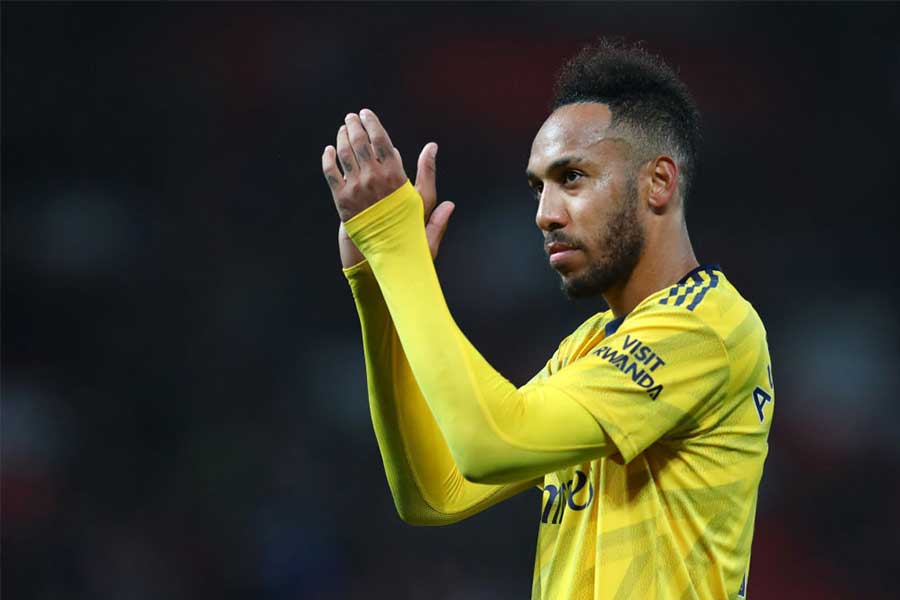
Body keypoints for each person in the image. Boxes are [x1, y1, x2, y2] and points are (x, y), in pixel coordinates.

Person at [321, 39, 773, 600]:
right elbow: (435, 491)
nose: (544, 215)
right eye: (539, 187)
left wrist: (398, 249)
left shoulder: (706, 327)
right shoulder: (589, 346)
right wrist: (380, 289)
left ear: (658, 182)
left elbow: (491, 443)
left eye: (573, 177)